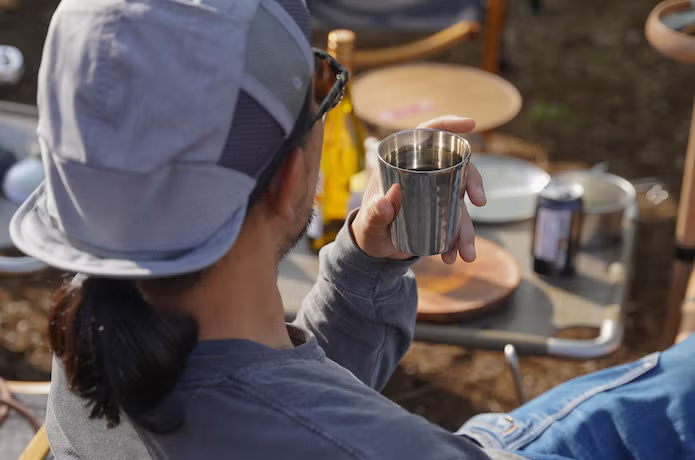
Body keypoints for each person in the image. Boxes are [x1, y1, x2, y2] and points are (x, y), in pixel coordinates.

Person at [10, 0, 695, 459]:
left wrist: (363, 266)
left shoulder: (91, 337)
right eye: (324, 91)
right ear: (289, 180)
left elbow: (281, 412)